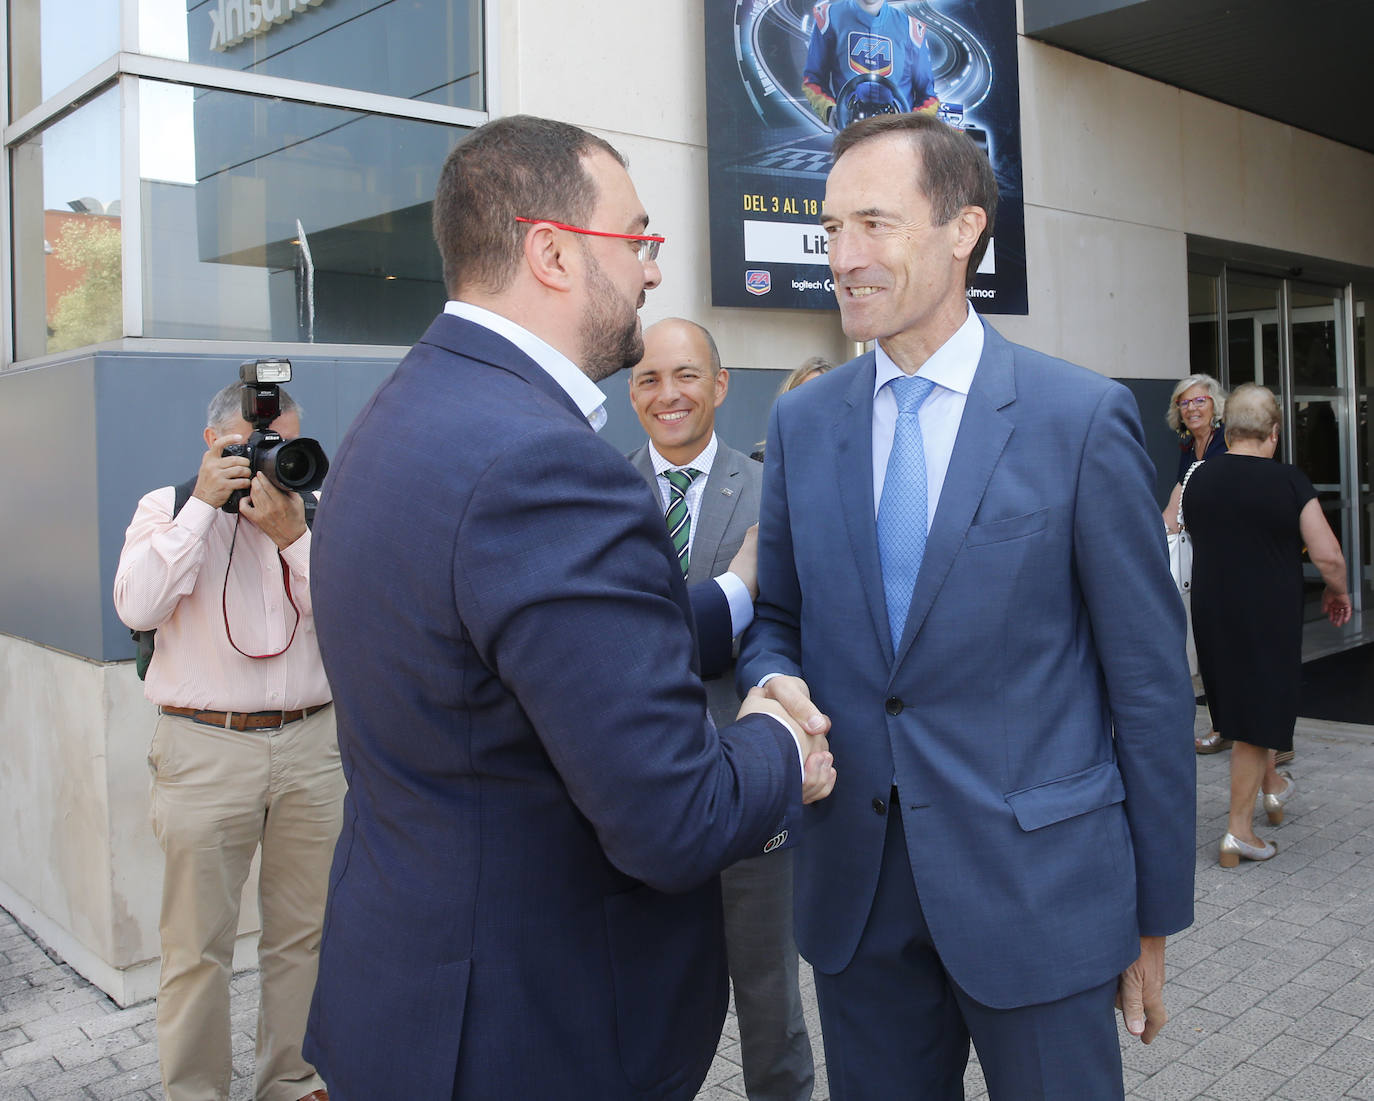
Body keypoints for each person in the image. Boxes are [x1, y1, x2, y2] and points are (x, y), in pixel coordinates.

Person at [302, 115, 835, 1101]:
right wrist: (777, 738)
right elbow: (675, 818)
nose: (652, 271)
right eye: (636, 240)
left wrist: (730, 600)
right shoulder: (546, 464)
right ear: (551, 253)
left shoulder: (397, 414)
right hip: (527, 1035)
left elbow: (524, 651)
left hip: (408, 1002)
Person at [738, 111, 1196, 1099]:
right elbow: (778, 619)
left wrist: (1153, 916)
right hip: (859, 902)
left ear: (963, 229)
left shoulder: (1080, 418)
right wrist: (773, 681)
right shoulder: (805, 422)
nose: (843, 257)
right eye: (831, 229)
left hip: (1042, 898)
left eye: (874, 224)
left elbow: (1151, 684)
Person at [113, 384, 342, 1101]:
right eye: (253, 443)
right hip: (206, 749)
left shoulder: (314, 512)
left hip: (312, 743)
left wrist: (294, 537)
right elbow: (138, 604)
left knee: (304, 933)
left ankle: (291, 1079)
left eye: (284, 442)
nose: (271, 456)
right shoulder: (165, 507)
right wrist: (202, 510)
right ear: (213, 444)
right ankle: (196, 1092)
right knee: (195, 945)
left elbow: (353, 616)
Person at [627, 317, 815, 1101]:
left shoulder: (772, 493)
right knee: (638, 1008)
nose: (668, 394)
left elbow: (800, 629)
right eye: (648, 378)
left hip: (748, 792)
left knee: (769, 1004)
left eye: (686, 375)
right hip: (633, 800)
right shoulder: (598, 495)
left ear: (721, 383)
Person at [1184, 383, 1352, 867]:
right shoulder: (1288, 481)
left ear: (1227, 430)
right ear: (1274, 432)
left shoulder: (1199, 478)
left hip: (1213, 610)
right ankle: (1238, 832)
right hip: (1266, 614)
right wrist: (1338, 591)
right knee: (1257, 721)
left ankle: (1273, 786)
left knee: (1240, 710)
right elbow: (1328, 555)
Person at [1161, 372, 1231, 753]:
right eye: (1184, 403)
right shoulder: (1189, 446)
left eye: (1198, 400)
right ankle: (1224, 726)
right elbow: (1176, 501)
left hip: (1231, 556)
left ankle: (1266, 740)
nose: (1191, 408)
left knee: (1235, 644)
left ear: (1215, 404)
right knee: (1208, 642)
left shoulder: (1228, 440)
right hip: (1202, 558)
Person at [801, 0, 939, 130]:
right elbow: (813, 80)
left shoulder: (912, 29)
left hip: (897, 136)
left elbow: (928, 97)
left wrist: (912, 126)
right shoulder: (829, 18)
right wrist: (830, 111)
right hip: (850, 133)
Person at [752, 356, 834, 461]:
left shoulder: (848, 461)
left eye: (822, 397)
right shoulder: (761, 463)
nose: (812, 406)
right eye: (804, 395)